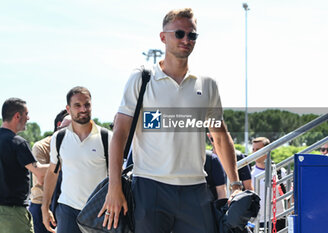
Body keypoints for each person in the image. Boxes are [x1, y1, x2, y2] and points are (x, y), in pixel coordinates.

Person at [99, 8, 241, 233]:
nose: (186, 39)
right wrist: (114, 185)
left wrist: (235, 184)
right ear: (163, 37)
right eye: (179, 33)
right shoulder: (142, 78)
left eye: (192, 35)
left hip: (195, 189)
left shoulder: (208, 85)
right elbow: (120, 133)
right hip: (149, 187)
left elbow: (220, 138)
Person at [41, 87, 112, 233]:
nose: (83, 109)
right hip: (67, 210)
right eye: (77, 105)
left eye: (87, 104)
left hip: (99, 210)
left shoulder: (107, 137)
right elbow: (53, 173)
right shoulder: (59, 138)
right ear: (68, 108)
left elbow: (116, 176)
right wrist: (45, 206)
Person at [0, 98, 49, 233]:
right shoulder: (17, 142)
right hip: (12, 214)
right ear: (17, 116)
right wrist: (61, 164)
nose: (28, 118)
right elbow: (38, 171)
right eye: (26, 114)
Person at [28, 110, 71, 233]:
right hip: (40, 203)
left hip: (65, 204)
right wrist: (69, 162)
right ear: (59, 125)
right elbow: (41, 178)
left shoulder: (75, 146)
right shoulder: (41, 147)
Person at [250, 137, 286, 231]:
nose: (254, 152)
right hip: (256, 221)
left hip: (277, 220)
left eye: (258, 149)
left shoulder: (279, 171)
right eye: (253, 149)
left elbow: (288, 196)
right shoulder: (249, 173)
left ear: (267, 151)